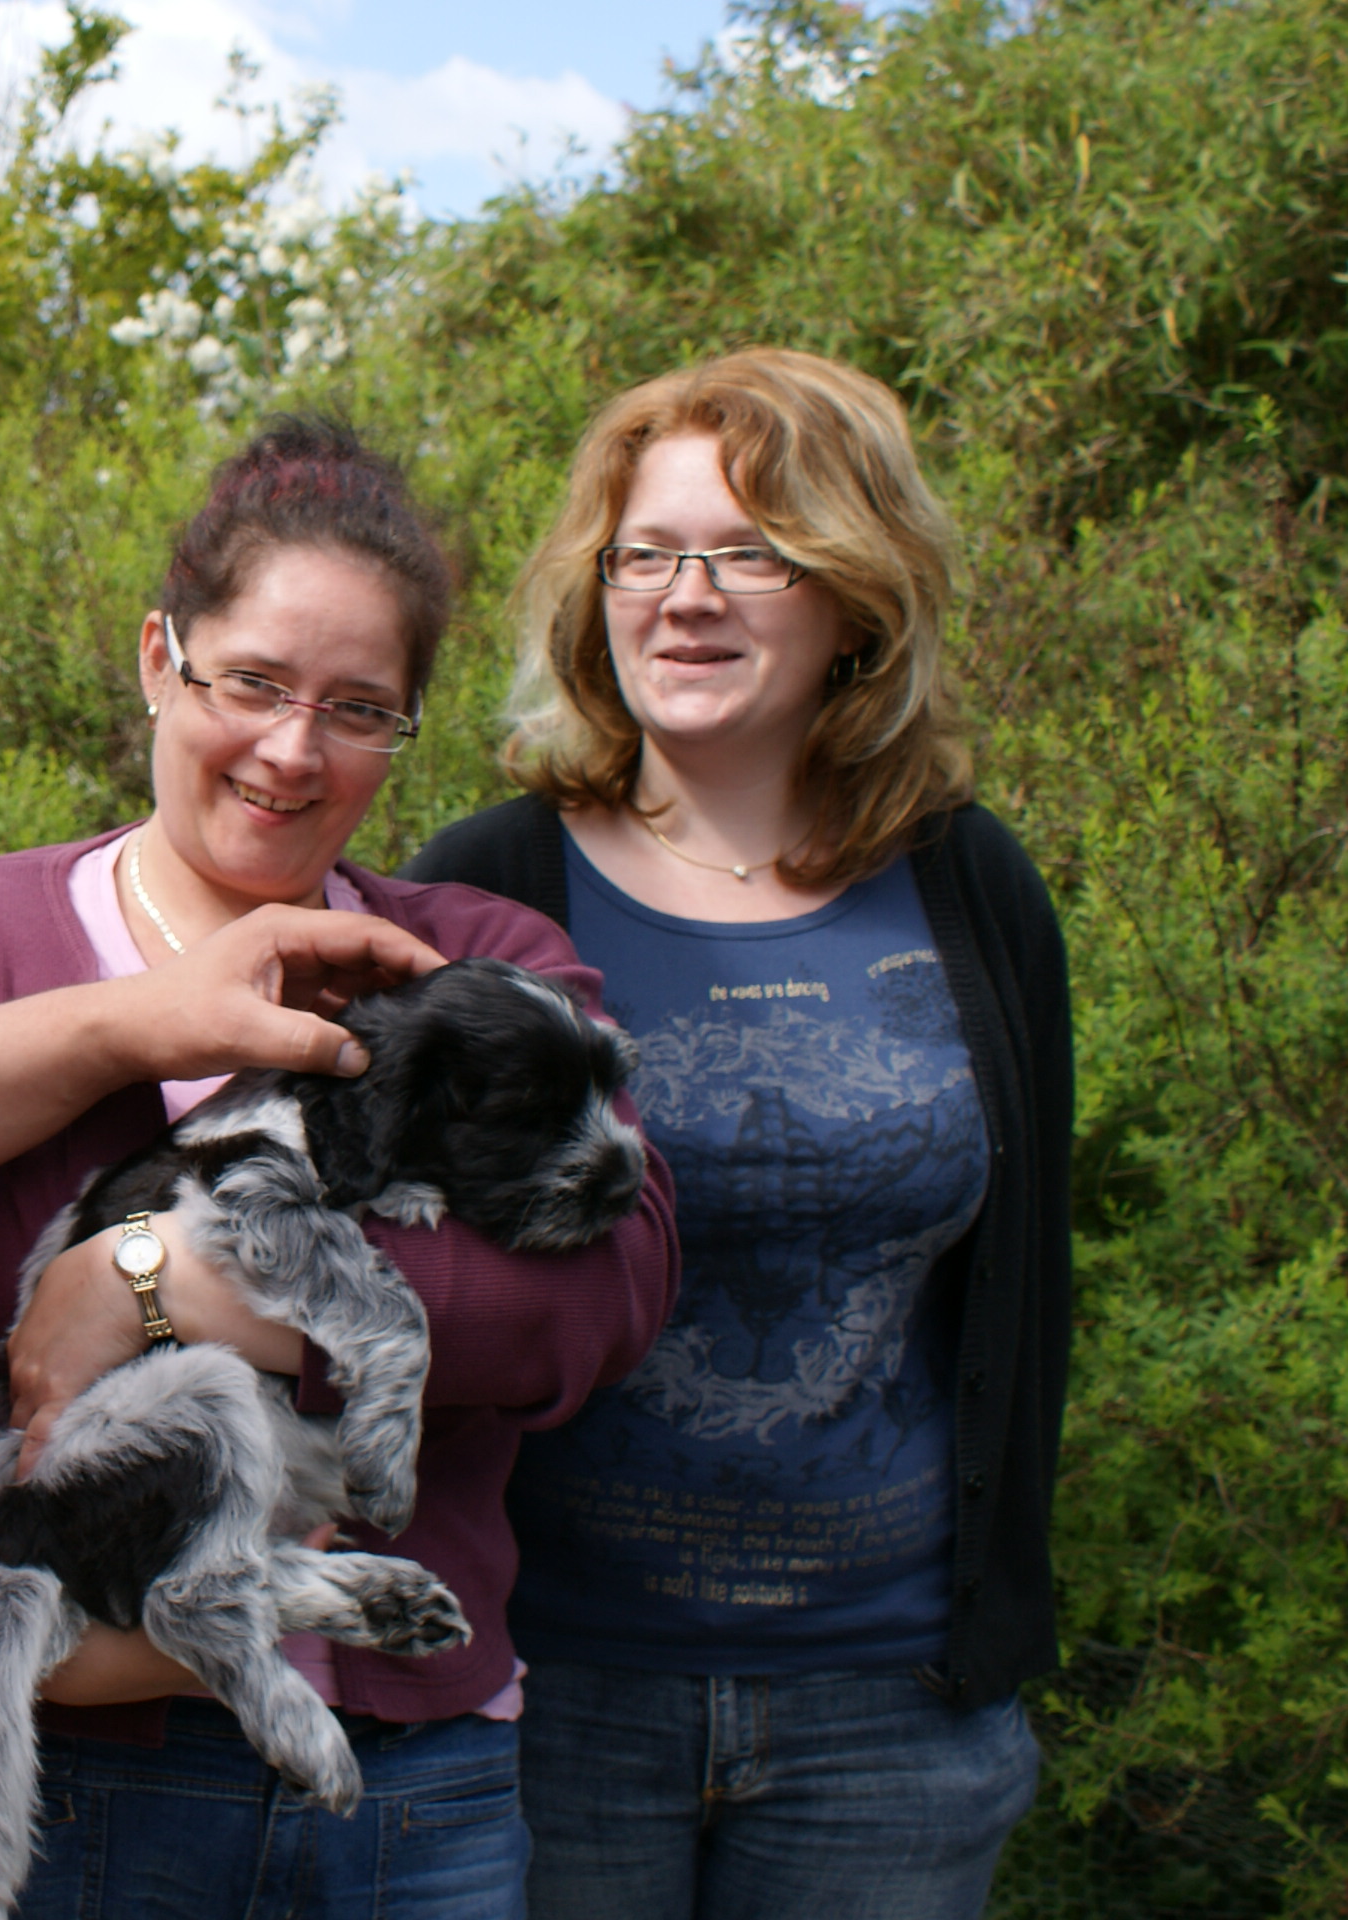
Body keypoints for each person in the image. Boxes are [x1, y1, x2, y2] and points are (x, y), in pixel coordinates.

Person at [0, 417, 682, 1919]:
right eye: (256, 684)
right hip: (56, 1755)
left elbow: (599, 1300)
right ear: (162, 659)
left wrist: (166, 1282)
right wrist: (29, 1613)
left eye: (361, 708)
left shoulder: (478, 964)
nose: (295, 750)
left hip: (408, 1786)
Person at [398, 347, 1073, 1919]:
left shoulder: (974, 887)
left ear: (857, 595)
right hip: (551, 1700)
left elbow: (1026, 1284)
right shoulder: (490, 887)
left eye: (749, 553)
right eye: (648, 553)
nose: (685, 596)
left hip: (892, 1720)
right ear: (597, 589)